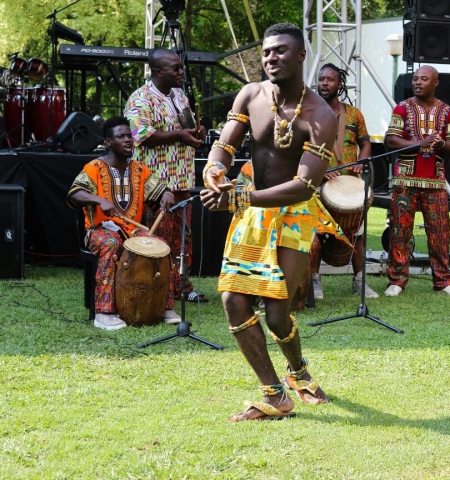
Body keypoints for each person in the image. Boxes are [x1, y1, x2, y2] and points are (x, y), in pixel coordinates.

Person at [200, 23, 342, 421]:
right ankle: (275, 394)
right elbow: (224, 146)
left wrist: (239, 197)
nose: (270, 58)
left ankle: (299, 372)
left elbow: (303, 186)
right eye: (266, 52)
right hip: (253, 211)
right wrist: (214, 170)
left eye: (280, 51)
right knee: (233, 300)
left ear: (301, 56)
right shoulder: (251, 94)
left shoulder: (321, 115)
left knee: (278, 313)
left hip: (295, 214)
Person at [68, 116, 180, 330]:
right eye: (121, 136)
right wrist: (99, 200)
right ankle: (104, 312)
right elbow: (75, 193)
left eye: (129, 135)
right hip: (99, 231)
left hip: (133, 231)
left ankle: (165, 307)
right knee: (111, 244)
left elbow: (158, 191)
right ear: (108, 142)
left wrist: (166, 193)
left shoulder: (139, 169)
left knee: (162, 247)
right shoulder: (94, 167)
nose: (128, 140)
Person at [124, 48, 208, 303]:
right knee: (158, 236)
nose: (182, 72)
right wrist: (180, 135)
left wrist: (196, 132)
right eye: (176, 68)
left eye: (181, 67)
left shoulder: (179, 95)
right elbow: (141, 136)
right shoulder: (140, 98)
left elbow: (186, 126)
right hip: (155, 183)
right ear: (158, 71)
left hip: (181, 178)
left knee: (182, 237)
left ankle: (182, 286)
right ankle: (158, 287)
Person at [384, 65, 450, 297]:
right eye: (415, 79)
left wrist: (441, 144)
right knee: (400, 231)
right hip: (405, 180)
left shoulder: (447, 111)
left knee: (440, 232)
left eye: (423, 79)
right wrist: (420, 143)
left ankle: (443, 281)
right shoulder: (402, 108)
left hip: (435, 182)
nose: (417, 82)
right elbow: (391, 141)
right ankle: (397, 280)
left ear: (435, 83)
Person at [311, 63, 378, 300]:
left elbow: (365, 143)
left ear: (340, 84)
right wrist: (320, 171)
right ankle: (314, 282)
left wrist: (362, 161)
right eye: (321, 79)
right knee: (316, 235)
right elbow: (301, 148)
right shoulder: (309, 112)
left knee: (357, 235)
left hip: (349, 185)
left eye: (330, 80)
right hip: (318, 184)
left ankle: (359, 282)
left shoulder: (354, 114)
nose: (324, 83)